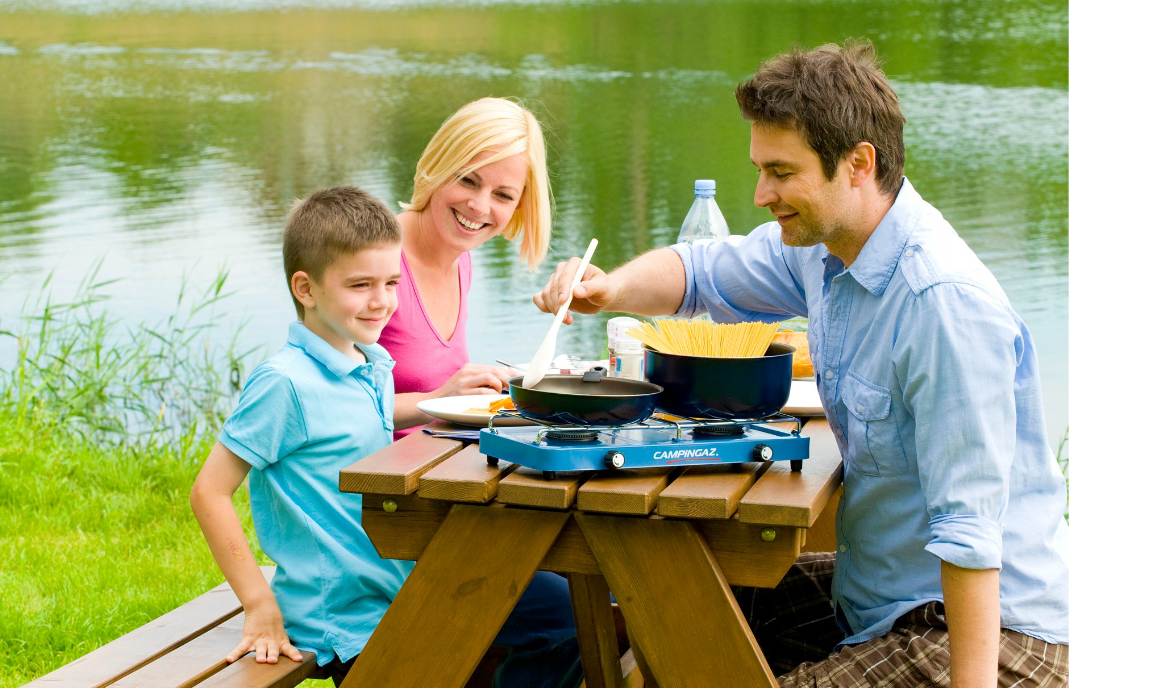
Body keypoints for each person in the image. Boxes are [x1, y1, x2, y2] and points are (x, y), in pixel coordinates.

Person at [532, 42, 1069, 687]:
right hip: (879, 602)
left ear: (858, 164)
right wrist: (609, 289)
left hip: (988, 637)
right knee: (672, 603)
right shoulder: (825, 246)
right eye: (760, 170)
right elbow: (702, 271)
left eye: (781, 172)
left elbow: (971, 536)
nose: (762, 194)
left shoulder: (942, 305)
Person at [191, 186, 580, 687]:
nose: (382, 302)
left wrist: (442, 398)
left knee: (566, 609)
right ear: (306, 289)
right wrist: (259, 604)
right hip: (348, 614)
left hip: (398, 578)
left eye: (392, 282)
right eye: (360, 285)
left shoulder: (367, 361)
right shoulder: (284, 383)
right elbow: (209, 492)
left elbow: (361, 415)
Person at [381, 97, 553, 436]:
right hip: (370, 469)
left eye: (503, 195)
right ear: (439, 166)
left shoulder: (461, 260)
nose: (479, 206)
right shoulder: (376, 258)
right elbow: (326, 406)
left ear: (519, 206)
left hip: (432, 461)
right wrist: (438, 398)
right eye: (467, 180)